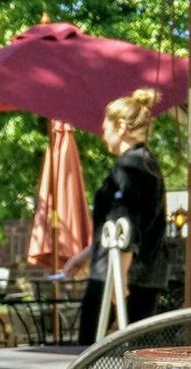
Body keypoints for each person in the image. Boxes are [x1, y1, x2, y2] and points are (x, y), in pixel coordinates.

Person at [59, 88, 169, 346]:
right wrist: (85, 255)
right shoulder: (147, 163)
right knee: (135, 352)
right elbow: (122, 224)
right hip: (144, 272)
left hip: (118, 274)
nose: (102, 134)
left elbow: (125, 225)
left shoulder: (129, 166)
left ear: (121, 127)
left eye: (105, 127)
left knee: (88, 351)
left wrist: (119, 275)